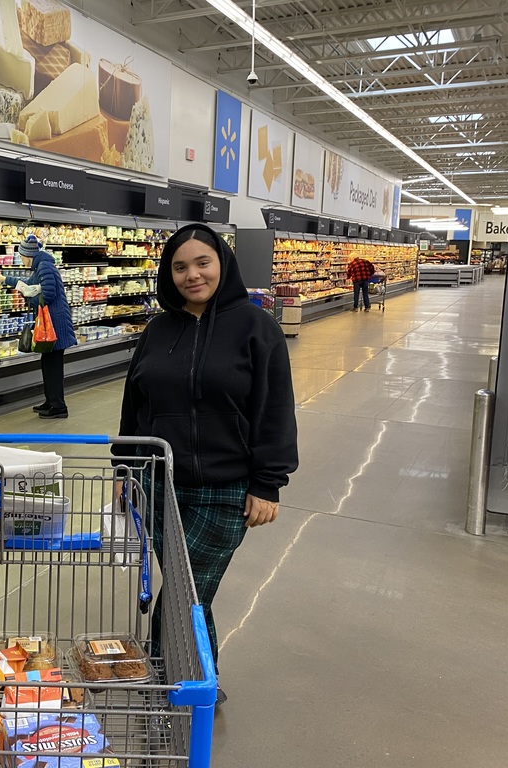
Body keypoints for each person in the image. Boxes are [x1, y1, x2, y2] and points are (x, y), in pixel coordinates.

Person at [112, 223, 298, 706]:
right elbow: (135, 404)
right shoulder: (157, 330)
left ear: (223, 264)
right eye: (179, 267)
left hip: (225, 489)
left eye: (202, 263)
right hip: (159, 484)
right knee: (190, 592)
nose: (191, 275)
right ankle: (203, 688)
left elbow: (274, 408)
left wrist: (268, 483)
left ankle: (165, 683)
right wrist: (125, 468)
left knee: (182, 594)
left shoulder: (258, 328)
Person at [0, 235, 77, 419]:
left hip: (55, 324)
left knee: (53, 367)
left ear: (29, 254)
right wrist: (6, 280)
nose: (21, 259)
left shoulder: (45, 266)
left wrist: (32, 301)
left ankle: (59, 406)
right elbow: (29, 284)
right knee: (47, 365)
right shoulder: (40, 266)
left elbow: (49, 293)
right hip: (51, 323)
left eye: (22, 255)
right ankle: (50, 401)